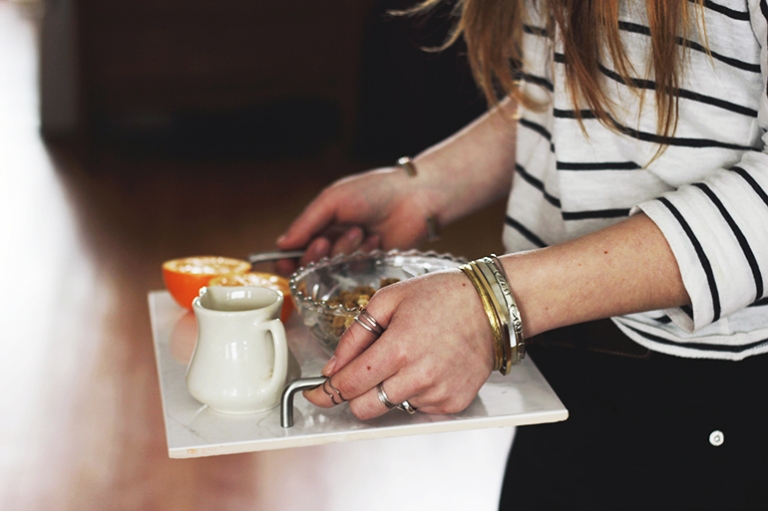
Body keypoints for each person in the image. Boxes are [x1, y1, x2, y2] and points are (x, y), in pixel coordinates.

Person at [276, 0, 768, 508]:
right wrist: (426, 188)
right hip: (561, 363)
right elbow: (572, 91)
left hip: (716, 397)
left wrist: (492, 301)